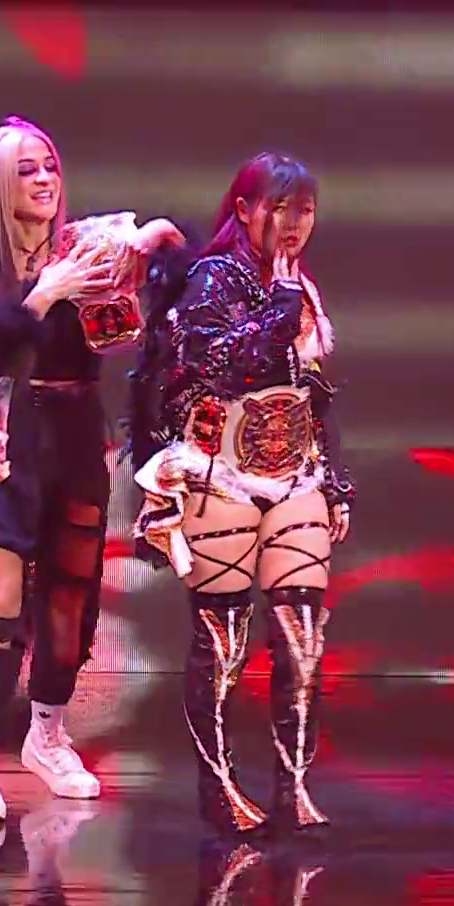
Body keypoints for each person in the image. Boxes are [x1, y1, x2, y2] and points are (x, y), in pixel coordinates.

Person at [0, 116, 183, 823]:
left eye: (50, 166)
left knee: (71, 599)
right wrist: (44, 293)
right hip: (2, 437)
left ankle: (47, 735)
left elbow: (132, 310)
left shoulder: (87, 245)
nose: (45, 180)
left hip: (75, 435)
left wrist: (152, 248)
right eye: (27, 170)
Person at [126, 151, 354, 839]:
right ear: (246, 210)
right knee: (223, 643)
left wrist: (335, 482)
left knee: (303, 638)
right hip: (219, 470)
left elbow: (315, 392)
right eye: (280, 208)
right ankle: (218, 785)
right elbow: (225, 365)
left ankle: (293, 784)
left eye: (305, 210)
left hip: (296, 471)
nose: (294, 224)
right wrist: (281, 306)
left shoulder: (300, 287)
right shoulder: (211, 279)